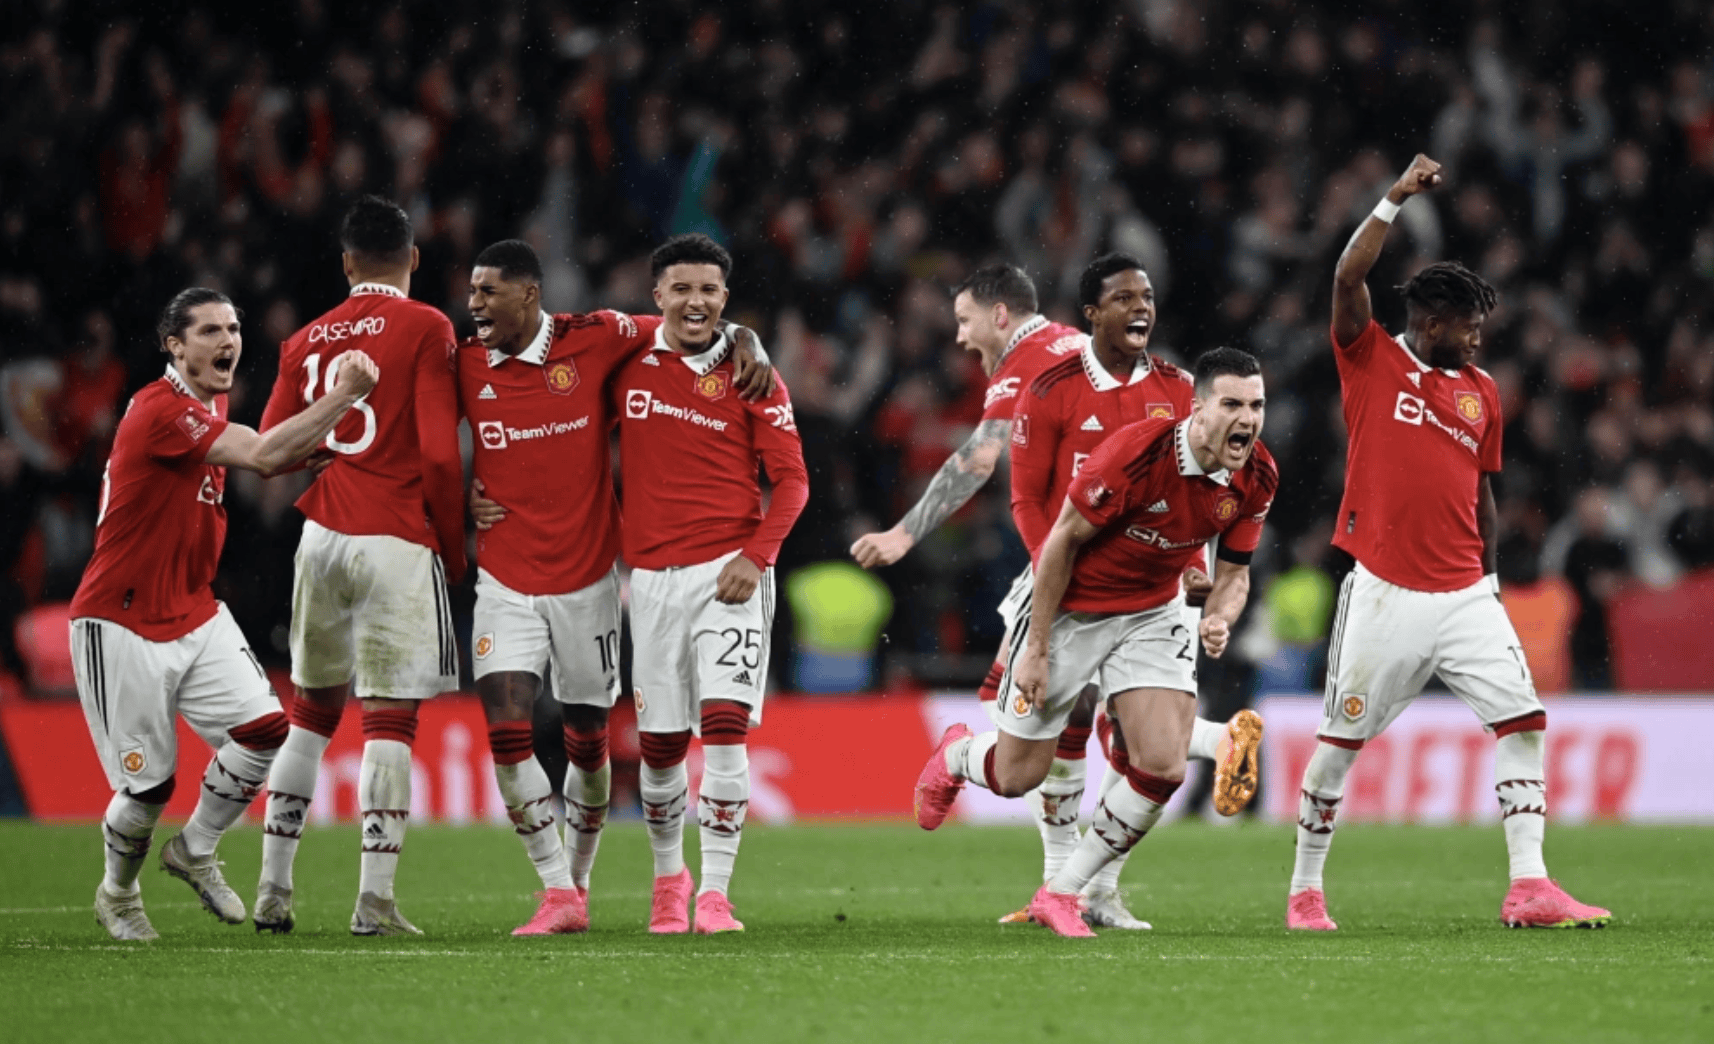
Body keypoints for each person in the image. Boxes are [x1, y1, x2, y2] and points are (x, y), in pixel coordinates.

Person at [1286, 153, 1609, 931]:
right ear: (1430, 323)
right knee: (1340, 746)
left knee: (1523, 723)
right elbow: (1346, 277)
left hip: (1466, 593)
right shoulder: (1370, 358)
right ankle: (1305, 890)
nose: (1477, 338)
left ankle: (1529, 886)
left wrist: (1489, 584)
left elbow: (1482, 494)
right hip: (1385, 591)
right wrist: (1394, 198)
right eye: (1468, 327)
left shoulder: (1482, 392)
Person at [459, 239, 773, 935]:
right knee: (507, 732)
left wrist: (748, 338)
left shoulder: (600, 336)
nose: (474, 304)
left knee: (589, 742)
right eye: (472, 292)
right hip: (504, 576)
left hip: (588, 577)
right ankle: (559, 890)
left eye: (487, 292)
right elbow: (418, 436)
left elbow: (692, 318)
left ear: (529, 295)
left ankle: (625, 878)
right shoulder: (464, 361)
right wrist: (458, 499)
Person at [915, 347, 1275, 938]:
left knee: (1161, 765)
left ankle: (1063, 892)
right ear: (1198, 408)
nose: (1248, 419)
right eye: (1233, 404)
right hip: (1073, 610)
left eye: (1257, 406)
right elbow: (1060, 542)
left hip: (1152, 612)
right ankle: (957, 754)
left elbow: (1235, 572)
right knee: (1017, 775)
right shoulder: (1137, 454)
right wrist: (1035, 646)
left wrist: (1220, 615)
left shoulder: (1257, 474)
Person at [74, 288, 377, 941]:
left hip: (193, 607)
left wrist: (299, 449)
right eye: (209, 330)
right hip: (121, 617)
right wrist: (345, 395)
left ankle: (195, 848)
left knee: (265, 730)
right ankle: (118, 895)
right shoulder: (161, 409)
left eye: (233, 329)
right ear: (173, 345)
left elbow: (263, 456)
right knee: (148, 791)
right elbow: (263, 455)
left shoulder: (209, 404)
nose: (228, 341)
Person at [1007, 254, 1266, 928]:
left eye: (1146, 296)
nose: (1140, 307)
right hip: (1067, 588)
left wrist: (1205, 585)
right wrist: (1044, 592)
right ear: (1091, 312)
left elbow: (1212, 527)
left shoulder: (1192, 401)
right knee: (1023, 767)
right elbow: (1035, 507)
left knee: (1151, 757)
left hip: (1154, 600)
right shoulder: (1059, 394)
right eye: (1123, 297)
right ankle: (960, 761)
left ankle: (1076, 891)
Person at [253, 195, 466, 936]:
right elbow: (440, 454)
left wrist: (327, 448)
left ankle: (272, 890)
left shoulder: (305, 339)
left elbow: (271, 447)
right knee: (389, 721)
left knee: (309, 716)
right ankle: (373, 902)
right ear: (414, 258)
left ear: (346, 263)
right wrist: (454, 546)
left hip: (320, 537)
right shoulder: (427, 326)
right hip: (394, 536)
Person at [618, 234, 808, 933]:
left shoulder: (754, 375)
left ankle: (716, 895)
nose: (695, 302)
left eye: (708, 290)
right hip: (650, 581)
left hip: (729, 575)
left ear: (725, 298)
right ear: (658, 296)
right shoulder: (625, 359)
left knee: (725, 728)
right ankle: (670, 879)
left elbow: (793, 482)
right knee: (661, 747)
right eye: (681, 289)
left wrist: (755, 558)